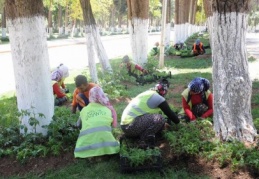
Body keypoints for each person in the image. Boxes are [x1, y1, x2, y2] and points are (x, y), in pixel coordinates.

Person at [120, 79, 180, 145]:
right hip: (130, 127)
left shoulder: (148, 93)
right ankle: (144, 140)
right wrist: (179, 122)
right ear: (164, 91)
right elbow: (170, 114)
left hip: (125, 126)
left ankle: (136, 136)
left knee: (158, 121)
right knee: (159, 119)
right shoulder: (158, 98)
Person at [74, 86, 120, 158]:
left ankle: (91, 154)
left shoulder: (84, 110)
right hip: (108, 145)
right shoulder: (107, 110)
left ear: (90, 96)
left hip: (85, 148)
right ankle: (104, 148)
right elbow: (114, 126)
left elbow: (78, 125)